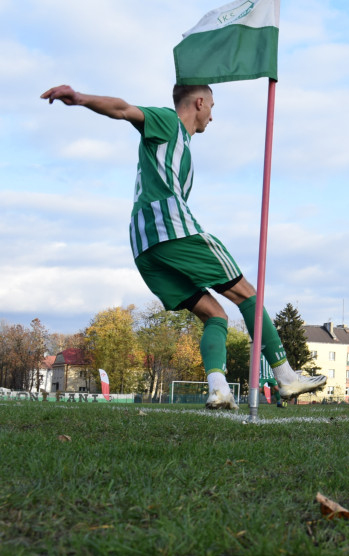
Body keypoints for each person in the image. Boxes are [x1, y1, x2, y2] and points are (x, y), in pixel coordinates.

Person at [40, 84, 326, 410]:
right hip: (170, 229)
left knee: (215, 315)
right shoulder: (168, 123)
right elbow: (124, 108)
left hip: (144, 245)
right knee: (246, 292)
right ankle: (285, 375)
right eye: (212, 107)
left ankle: (219, 388)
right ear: (199, 102)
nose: (212, 117)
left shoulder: (181, 151)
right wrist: (81, 98)